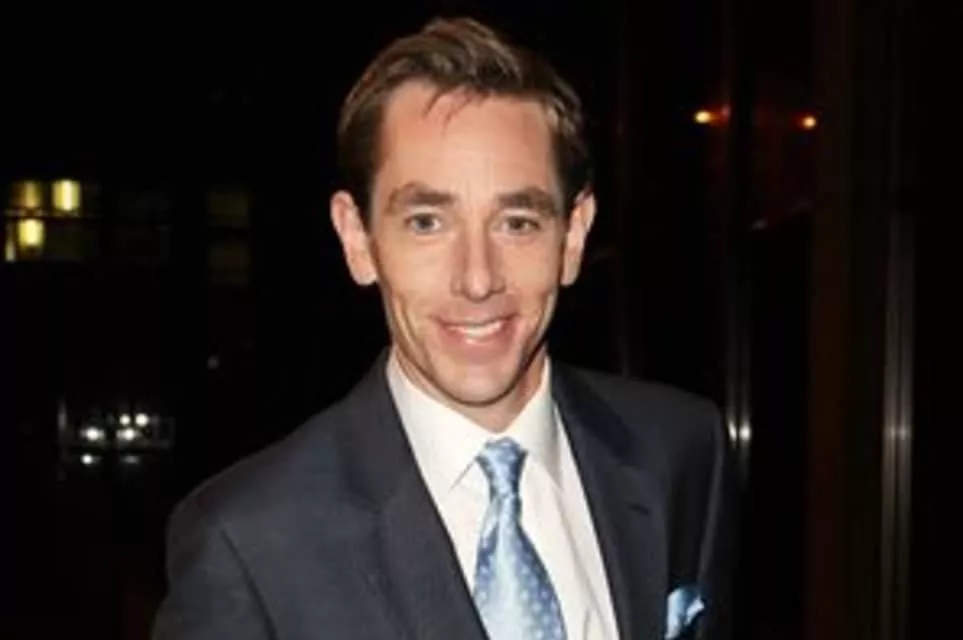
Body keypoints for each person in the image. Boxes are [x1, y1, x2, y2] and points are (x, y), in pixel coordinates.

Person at [152, 16, 736, 640]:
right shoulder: (247, 545)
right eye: (427, 222)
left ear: (573, 236)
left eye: (517, 222)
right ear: (358, 239)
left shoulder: (679, 451)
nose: (477, 279)